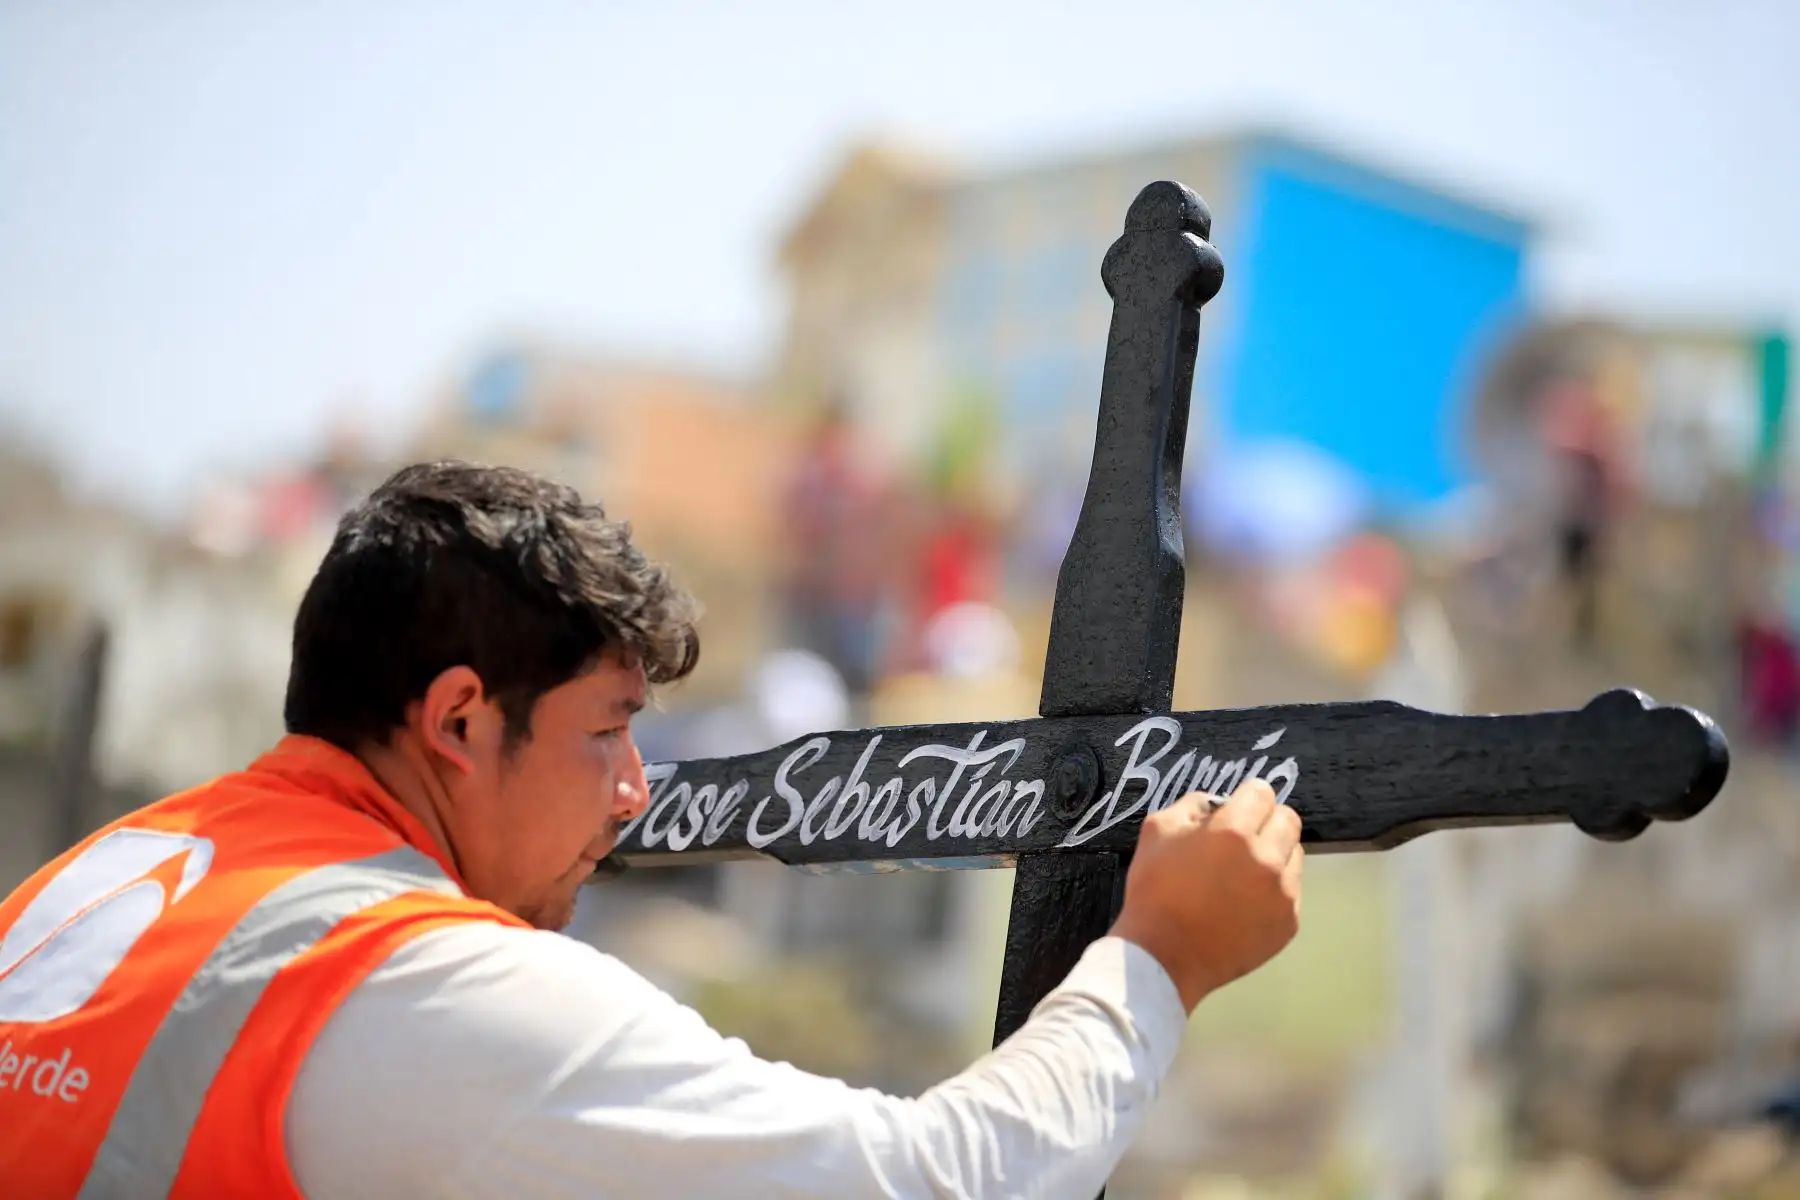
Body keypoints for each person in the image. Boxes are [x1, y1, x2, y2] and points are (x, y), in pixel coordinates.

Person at [0, 461, 1304, 1199]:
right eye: (606, 728)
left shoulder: (110, 870)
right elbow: (936, 1184)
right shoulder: (423, 986)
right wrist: (1160, 957)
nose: (636, 790)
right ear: (458, 719)